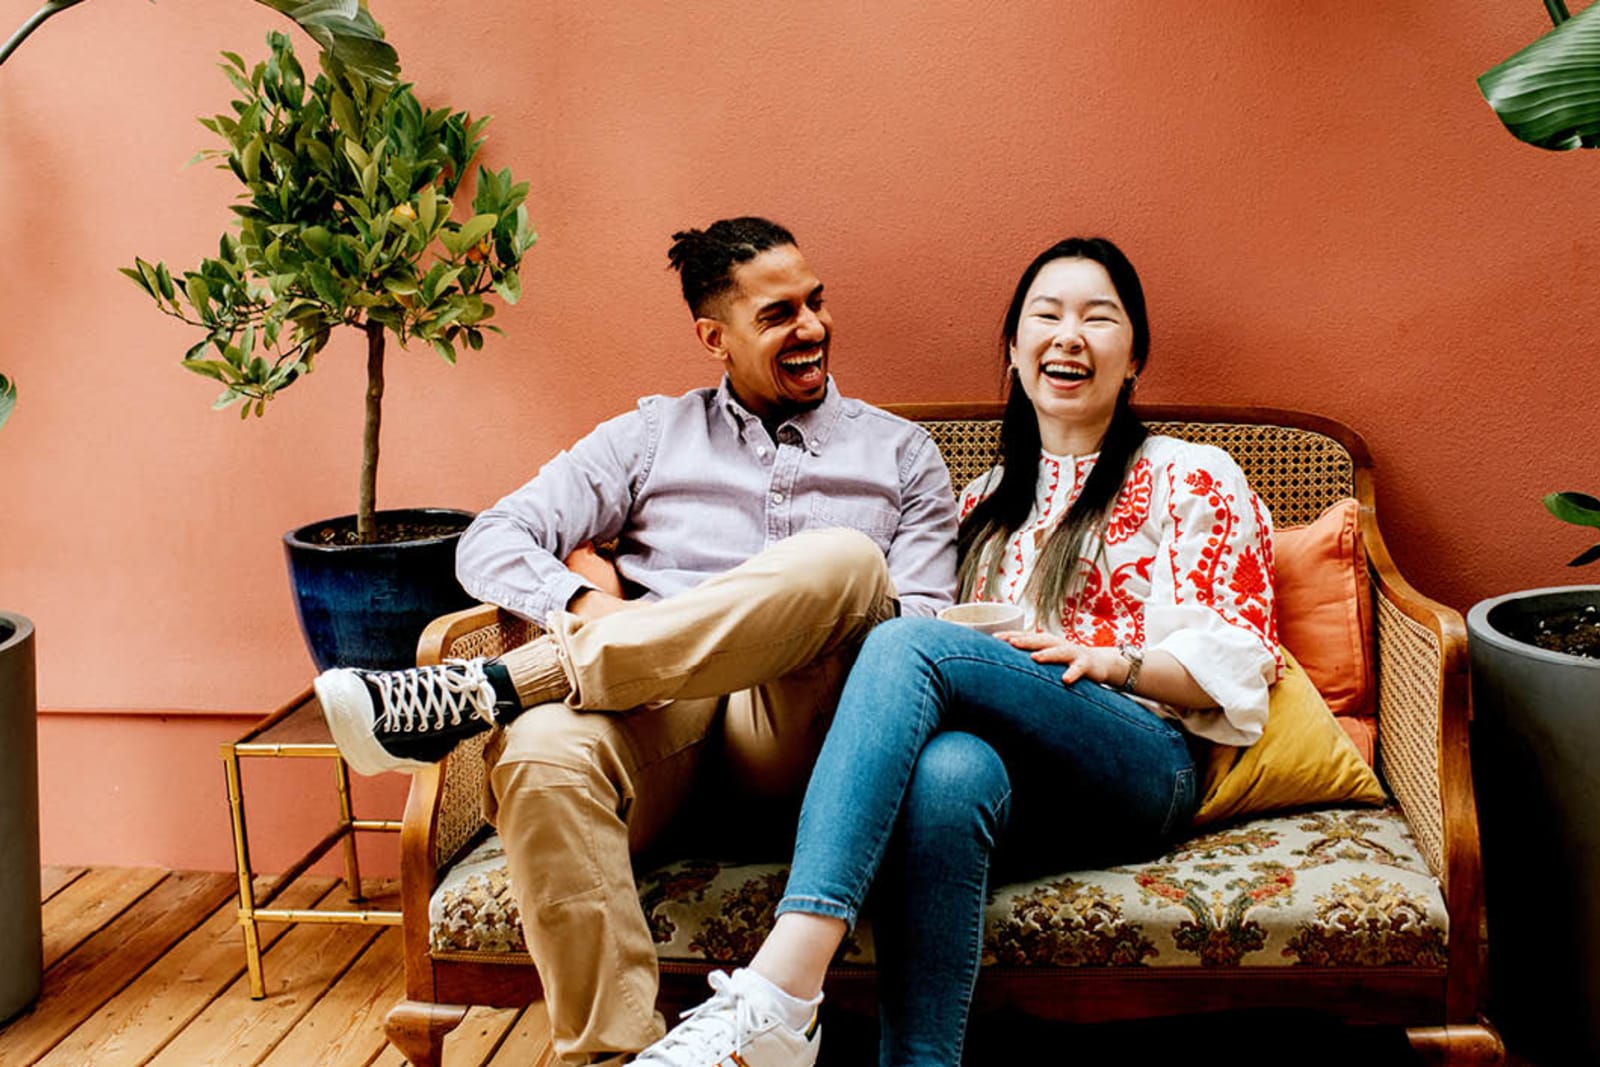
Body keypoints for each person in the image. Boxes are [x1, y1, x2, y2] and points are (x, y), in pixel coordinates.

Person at [312, 216, 959, 1066]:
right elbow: (493, 538)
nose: (811, 329)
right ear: (713, 337)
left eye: (815, 302)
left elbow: (921, 636)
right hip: (661, 721)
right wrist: (589, 600)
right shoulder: (652, 436)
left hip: (815, 739)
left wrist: (779, 616)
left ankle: (492, 689)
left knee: (841, 560)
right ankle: (614, 1057)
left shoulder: (900, 455)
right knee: (541, 749)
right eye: (777, 315)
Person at [637, 236, 1280, 1067]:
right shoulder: (978, 501)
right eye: (1044, 317)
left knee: (913, 642)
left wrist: (1111, 661)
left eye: (1098, 318)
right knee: (949, 771)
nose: (1069, 336)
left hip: (1141, 758)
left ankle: (781, 990)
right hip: (1014, 781)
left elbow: (1239, 660)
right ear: (1014, 353)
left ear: (1135, 356)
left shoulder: (1192, 474)